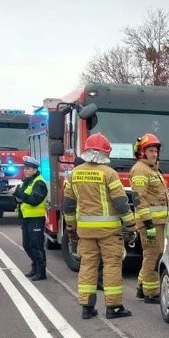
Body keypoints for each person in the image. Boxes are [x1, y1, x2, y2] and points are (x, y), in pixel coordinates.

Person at [63, 133, 137, 320]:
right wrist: (130, 225)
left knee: (87, 266)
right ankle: (114, 307)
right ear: (106, 152)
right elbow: (121, 203)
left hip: (85, 231)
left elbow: (68, 206)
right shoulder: (109, 173)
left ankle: (87, 308)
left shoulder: (75, 173)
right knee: (112, 266)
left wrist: (71, 228)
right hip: (109, 231)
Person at [129, 133, 169, 304]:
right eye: (151, 150)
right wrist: (147, 223)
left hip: (158, 222)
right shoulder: (140, 169)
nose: (154, 154)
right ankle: (151, 293)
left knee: (150, 255)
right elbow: (139, 199)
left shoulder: (152, 170)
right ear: (142, 152)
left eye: (155, 151)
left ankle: (141, 287)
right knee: (153, 256)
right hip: (150, 223)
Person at [14, 156, 49, 281]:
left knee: (36, 246)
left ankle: (41, 271)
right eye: (24, 168)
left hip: (36, 219)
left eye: (28, 169)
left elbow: (34, 200)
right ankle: (35, 267)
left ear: (35, 170)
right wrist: (17, 197)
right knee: (27, 245)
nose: (25, 171)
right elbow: (21, 197)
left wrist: (18, 194)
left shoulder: (39, 183)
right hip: (26, 218)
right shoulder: (27, 181)